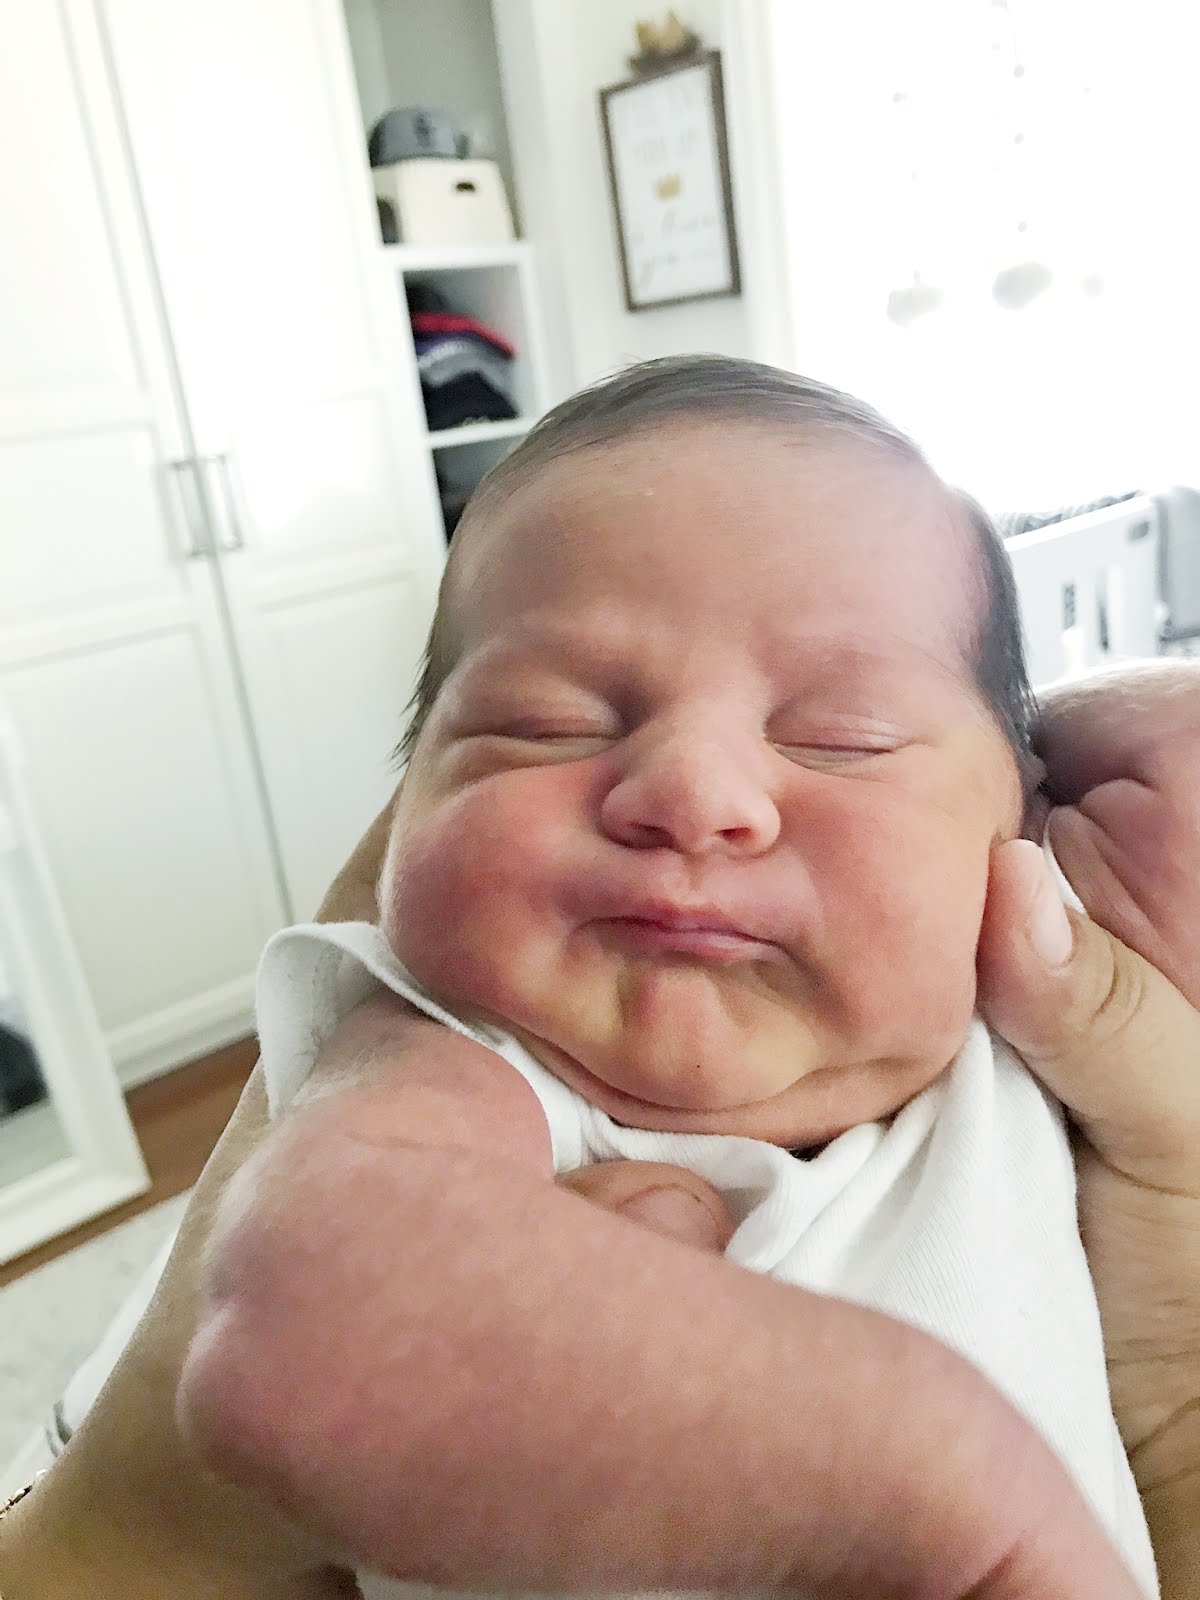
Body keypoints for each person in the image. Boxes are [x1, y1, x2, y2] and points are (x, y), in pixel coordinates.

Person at [1, 364, 1198, 1600]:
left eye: (843, 738)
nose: (691, 791)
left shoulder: (1026, 1028)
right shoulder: (455, 1050)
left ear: (1021, 818)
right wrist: (954, 1492)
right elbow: (302, 1333)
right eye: (544, 722)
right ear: (406, 811)